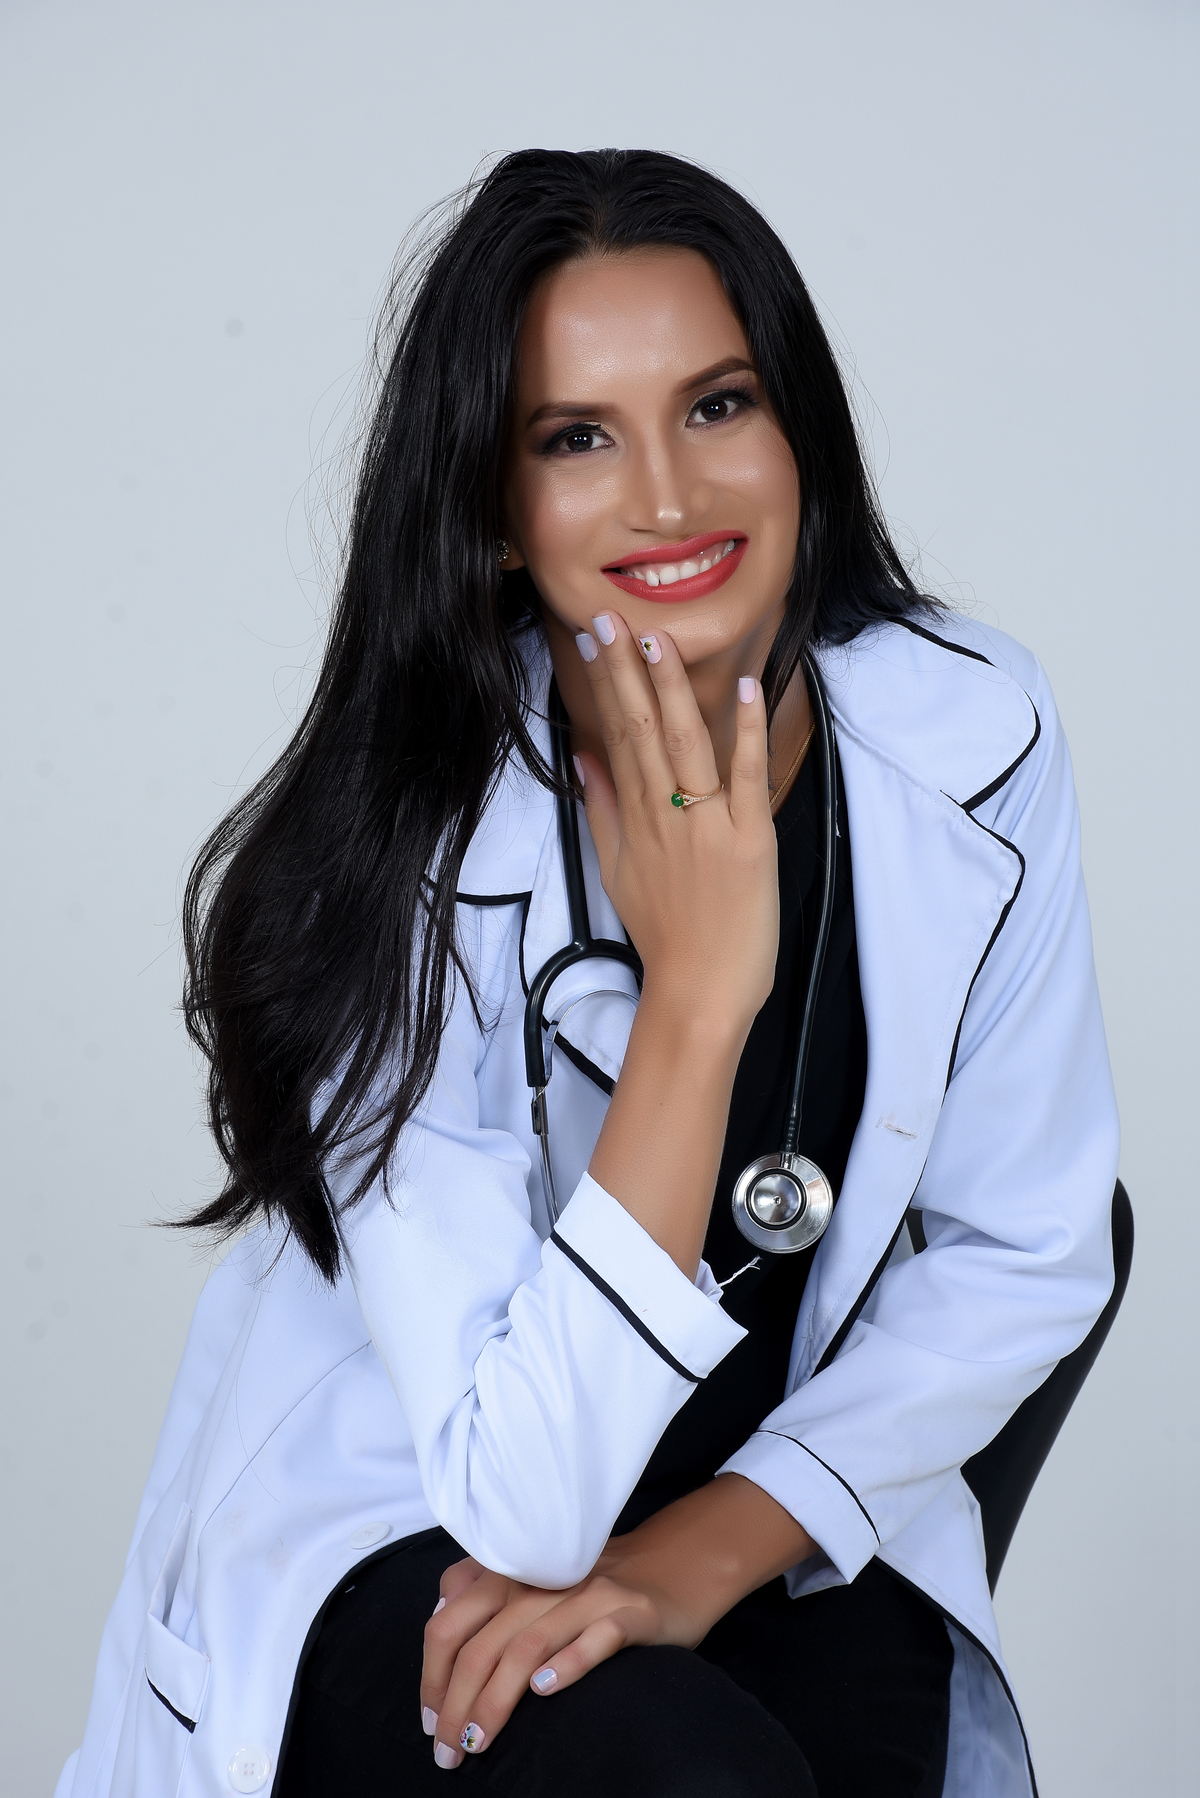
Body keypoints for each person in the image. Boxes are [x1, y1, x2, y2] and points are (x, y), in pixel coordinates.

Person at [57, 150, 1118, 1798]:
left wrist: (700, 1551)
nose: (669, 498)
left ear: (799, 432)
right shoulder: (404, 847)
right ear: (494, 511)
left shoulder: (972, 730)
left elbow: (1035, 1247)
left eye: (718, 405)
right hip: (425, 1541)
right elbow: (524, 1501)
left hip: (776, 1487)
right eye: (576, 438)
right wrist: (699, 994)